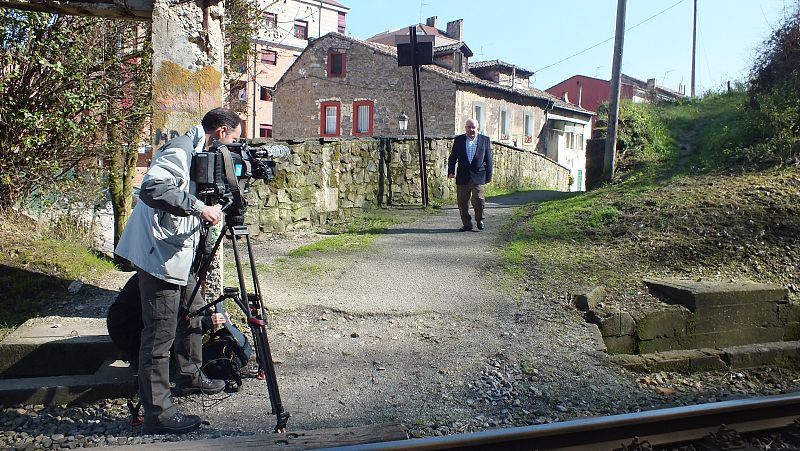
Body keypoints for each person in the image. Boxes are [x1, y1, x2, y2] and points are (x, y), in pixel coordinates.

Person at [115, 108, 242, 435]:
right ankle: (158, 412)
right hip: (159, 254)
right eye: (232, 140)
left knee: (195, 310)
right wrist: (201, 208)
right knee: (159, 333)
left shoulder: (202, 153)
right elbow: (153, 189)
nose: (229, 149)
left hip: (176, 252)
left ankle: (189, 376)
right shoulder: (181, 149)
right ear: (221, 131)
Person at [447, 118, 493, 231]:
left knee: (478, 199)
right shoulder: (459, 140)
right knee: (462, 202)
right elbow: (453, 158)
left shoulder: (485, 140)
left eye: (473, 127)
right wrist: (451, 171)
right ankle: (467, 224)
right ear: (465, 128)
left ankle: (479, 219)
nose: (471, 129)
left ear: (478, 129)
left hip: (478, 176)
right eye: (469, 127)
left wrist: (488, 176)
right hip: (463, 176)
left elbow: (489, 160)